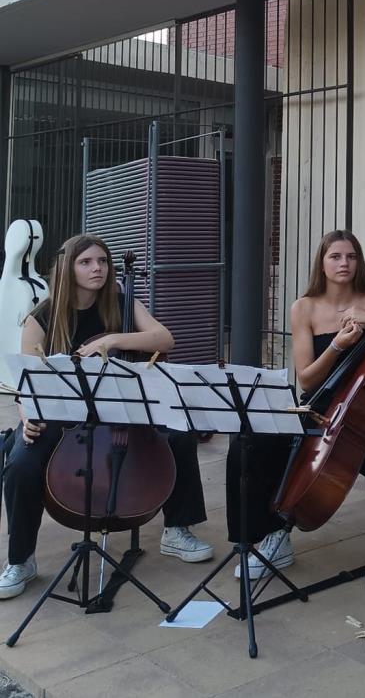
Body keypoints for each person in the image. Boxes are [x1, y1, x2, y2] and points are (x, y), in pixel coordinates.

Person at [0, 234, 214, 600]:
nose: (97, 268)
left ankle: (177, 530)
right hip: (61, 415)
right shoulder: (42, 317)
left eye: (102, 261)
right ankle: (21, 558)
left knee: (179, 434)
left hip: (121, 407)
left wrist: (112, 340)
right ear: (69, 268)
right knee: (21, 462)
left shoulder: (121, 302)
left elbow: (165, 339)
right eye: (86, 262)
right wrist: (28, 414)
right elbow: (27, 381)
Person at [226, 229, 365, 590]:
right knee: (251, 441)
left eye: (351, 256)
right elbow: (306, 381)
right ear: (321, 263)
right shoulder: (304, 307)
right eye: (335, 256)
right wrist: (337, 345)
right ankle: (271, 535)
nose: (344, 263)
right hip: (319, 404)